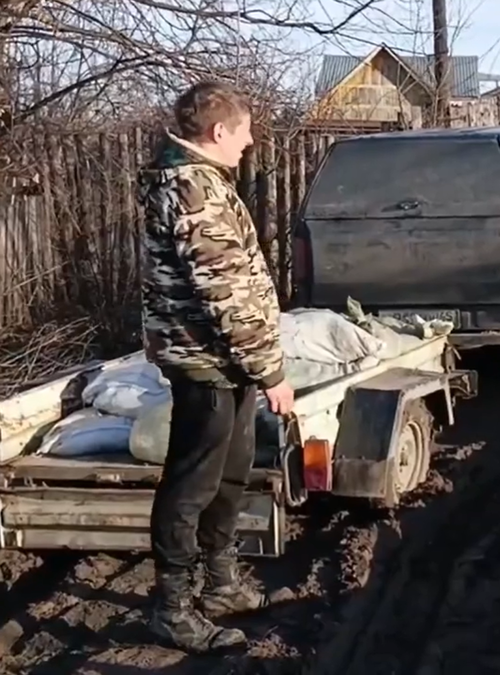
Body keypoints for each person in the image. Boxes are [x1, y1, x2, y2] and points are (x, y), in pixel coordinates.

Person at [139, 80, 295, 652]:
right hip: (205, 361)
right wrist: (273, 373)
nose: (250, 141)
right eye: (245, 130)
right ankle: (172, 608)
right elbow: (224, 293)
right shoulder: (192, 189)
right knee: (192, 484)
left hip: (229, 363)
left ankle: (220, 583)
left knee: (229, 474)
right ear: (219, 131)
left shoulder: (204, 181)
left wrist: (256, 367)